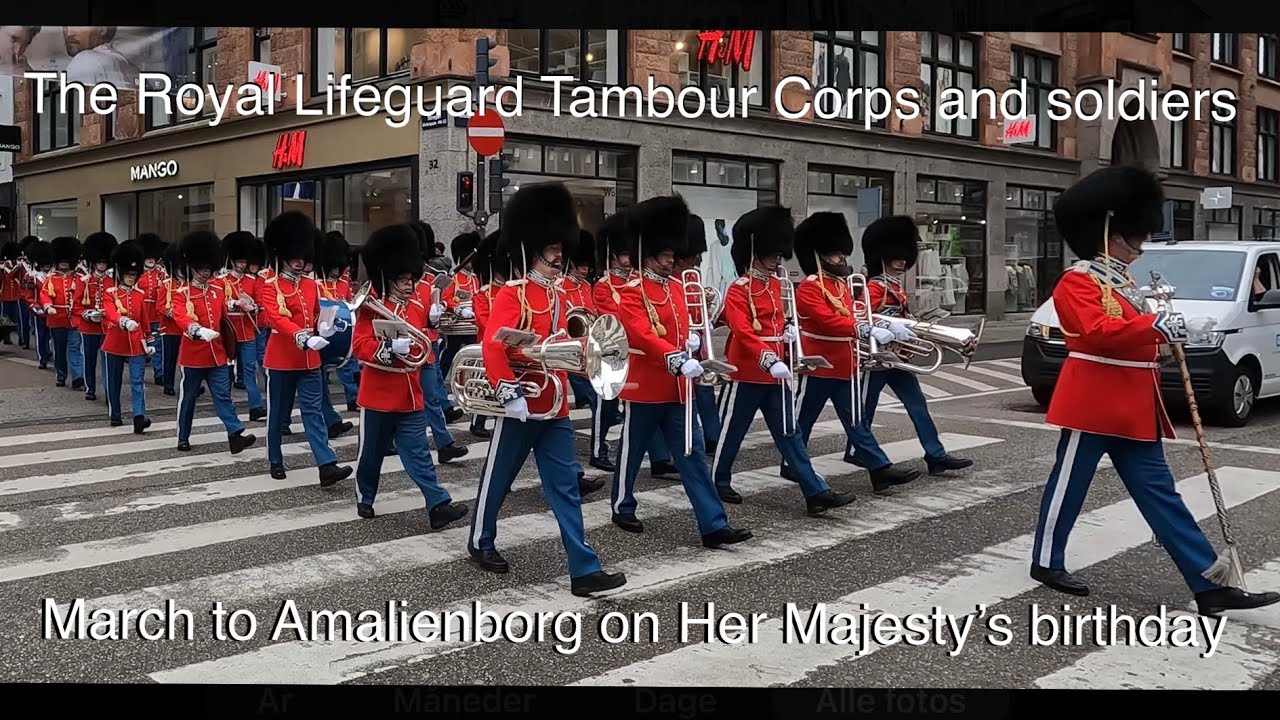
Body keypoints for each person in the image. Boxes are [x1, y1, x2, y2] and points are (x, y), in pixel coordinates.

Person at [1030, 165, 1280, 616]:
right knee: (1069, 486)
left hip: (1132, 404)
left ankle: (1209, 584)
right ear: (1111, 230)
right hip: (1092, 401)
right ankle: (1046, 561)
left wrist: (1164, 342)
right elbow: (1097, 332)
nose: (1141, 243)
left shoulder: (1123, 283)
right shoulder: (1078, 280)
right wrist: (1154, 325)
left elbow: (1131, 333)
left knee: (1161, 493)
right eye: (1135, 234)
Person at [468, 182, 626, 597]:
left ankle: (583, 568)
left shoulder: (560, 294)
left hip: (553, 404)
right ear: (532, 250)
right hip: (522, 400)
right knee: (497, 480)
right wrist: (507, 392)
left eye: (560, 249)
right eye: (552, 250)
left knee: (565, 489)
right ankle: (480, 540)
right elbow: (494, 345)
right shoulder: (513, 292)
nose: (559, 257)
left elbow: (560, 344)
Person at [610, 195, 753, 547]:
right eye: (665, 255)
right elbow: (640, 331)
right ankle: (622, 504)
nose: (671, 260)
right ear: (649, 254)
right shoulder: (632, 291)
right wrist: (674, 356)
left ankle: (713, 524)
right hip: (647, 384)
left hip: (679, 388)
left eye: (672, 255)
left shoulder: (675, 286)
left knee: (691, 457)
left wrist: (689, 340)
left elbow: (679, 323)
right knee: (632, 452)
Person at [712, 206, 855, 515]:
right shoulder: (739, 289)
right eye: (773, 255)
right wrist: (767, 356)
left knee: (790, 433)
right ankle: (718, 479)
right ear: (756, 252)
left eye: (779, 254)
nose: (778, 260)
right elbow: (742, 329)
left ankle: (814, 491)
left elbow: (781, 321)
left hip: (777, 372)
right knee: (733, 431)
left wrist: (789, 335)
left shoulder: (778, 285)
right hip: (749, 371)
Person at [784, 211, 919, 492]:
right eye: (834, 255)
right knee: (801, 421)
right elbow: (828, 320)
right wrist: (864, 330)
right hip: (820, 365)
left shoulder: (842, 285)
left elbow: (857, 312)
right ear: (819, 257)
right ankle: (790, 463)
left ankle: (879, 469)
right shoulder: (809, 288)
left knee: (857, 421)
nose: (841, 258)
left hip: (846, 364)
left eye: (841, 253)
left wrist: (886, 324)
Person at [350, 223, 469, 529]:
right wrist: (388, 347)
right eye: (402, 279)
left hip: (410, 393)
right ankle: (365, 497)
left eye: (412, 278)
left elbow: (423, 339)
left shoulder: (418, 304)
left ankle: (437, 504)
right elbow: (360, 346)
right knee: (371, 455)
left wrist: (433, 324)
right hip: (378, 396)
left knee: (419, 454)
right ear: (389, 276)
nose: (408, 283)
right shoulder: (373, 306)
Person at [859, 217, 973, 476]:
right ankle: (860, 453)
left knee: (917, 405)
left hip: (896, 359)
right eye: (896, 256)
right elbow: (860, 316)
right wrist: (891, 327)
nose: (902, 261)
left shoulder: (894, 286)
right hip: (876, 360)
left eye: (904, 256)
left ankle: (935, 454)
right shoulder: (875, 287)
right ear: (884, 256)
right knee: (863, 412)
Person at [259, 212, 352, 486]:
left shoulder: (311, 285)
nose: (301, 262)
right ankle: (275, 458)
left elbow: (315, 315)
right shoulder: (271, 285)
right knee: (277, 413)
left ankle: (326, 464)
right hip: (282, 360)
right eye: (296, 256)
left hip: (310, 359)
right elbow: (276, 318)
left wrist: (325, 328)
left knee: (313, 413)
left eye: (303, 256)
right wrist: (302, 336)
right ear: (284, 255)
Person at [592, 211, 677, 478]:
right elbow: (615, 320)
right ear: (614, 255)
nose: (628, 261)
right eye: (624, 255)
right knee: (606, 407)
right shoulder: (605, 286)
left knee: (646, 415)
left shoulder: (638, 283)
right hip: (615, 351)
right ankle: (598, 450)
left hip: (642, 354)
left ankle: (661, 458)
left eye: (631, 255)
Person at [170, 231, 258, 455]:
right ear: (192, 267)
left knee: (223, 396)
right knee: (188, 398)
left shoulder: (217, 289)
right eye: (202, 267)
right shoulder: (182, 293)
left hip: (217, 354)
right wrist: (196, 330)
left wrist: (239, 304)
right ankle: (183, 435)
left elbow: (222, 308)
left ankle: (235, 433)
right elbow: (181, 316)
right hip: (193, 356)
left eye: (209, 267)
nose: (206, 271)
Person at [408, 221, 468, 463]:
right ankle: (388, 440)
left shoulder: (430, 280)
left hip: (429, 344)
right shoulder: (402, 282)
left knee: (432, 397)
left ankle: (444, 444)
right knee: (404, 399)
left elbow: (440, 303)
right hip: (406, 348)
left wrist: (440, 310)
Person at [560, 228, 609, 492]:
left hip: (585, 352)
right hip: (565, 351)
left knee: (600, 399)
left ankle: (598, 452)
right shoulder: (560, 286)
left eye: (586, 265)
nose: (583, 270)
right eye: (579, 265)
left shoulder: (588, 286)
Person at [673, 213, 722, 453]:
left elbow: (694, 305)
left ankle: (713, 436)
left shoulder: (693, 275)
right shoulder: (671, 278)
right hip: (678, 346)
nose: (695, 261)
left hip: (698, 343)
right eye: (691, 257)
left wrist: (706, 320)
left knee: (705, 391)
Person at [101, 240, 155, 433]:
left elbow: (145, 319)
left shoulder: (140, 294)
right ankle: (115, 414)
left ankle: (139, 416)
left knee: (137, 381)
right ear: (120, 273)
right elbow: (109, 312)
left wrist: (149, 340)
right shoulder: (110, 292)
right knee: (114, 381)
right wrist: (123, 321)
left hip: (135, 343)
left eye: (134, 274)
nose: (131, 278)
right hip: (115, 341)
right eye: (128, 274)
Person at [219, 231, 267, 421]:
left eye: (243, 262)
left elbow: (260, 303)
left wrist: (252, 306)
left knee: (249, 369)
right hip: (229, 331)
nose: (242, 265)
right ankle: (226, 404)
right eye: (239, 261)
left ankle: (255, 406)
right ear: (231, 261)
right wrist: (233, 304)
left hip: (247, 331)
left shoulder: (252, 281)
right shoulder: (222, 281)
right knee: (227, 370)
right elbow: (220, 303)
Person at [314, 231, 359, 428]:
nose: (337, 271)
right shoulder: (314, 283)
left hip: (337, 338)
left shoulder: (342, 283)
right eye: (334, 267)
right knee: (313, 383)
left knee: (319, 381)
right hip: (317, 337)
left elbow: (347, 305)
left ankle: (331, 420)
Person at [39, 236, 86, 390]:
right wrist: (48, 306)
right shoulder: (51, 278)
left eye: (67, 260)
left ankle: (77, 377)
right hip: (57, 318)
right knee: (59, 350)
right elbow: (45, 294)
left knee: (75, 348)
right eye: (61, 260)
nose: (64, 263)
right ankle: (61, 375)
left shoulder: (79, 278)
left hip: (74, 319)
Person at [439, 230, 481, 379]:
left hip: (471, 324)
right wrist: (459, 309)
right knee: (450, 353)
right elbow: (446, 298)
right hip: (456, 325)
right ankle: (441, 380)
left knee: (470, 355)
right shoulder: (454, 277)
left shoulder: (476, 278)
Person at [134, 233, 167, 387]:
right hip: (140, 314)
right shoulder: (136, 273)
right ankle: (138, 374)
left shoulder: (161, 274)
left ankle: (159, 372)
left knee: (157, 345)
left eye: (152, 257)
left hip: (156, 313)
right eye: (148, 257)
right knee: (140, 344)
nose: (150, 259)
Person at [157, 242, 185, 396]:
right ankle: (168, 384)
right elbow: (160, 305)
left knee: (186, 358)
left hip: (185, 328)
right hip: (170, 328)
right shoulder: (167, 285)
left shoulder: (188, 285)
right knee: (169, 358)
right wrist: (170, 313)